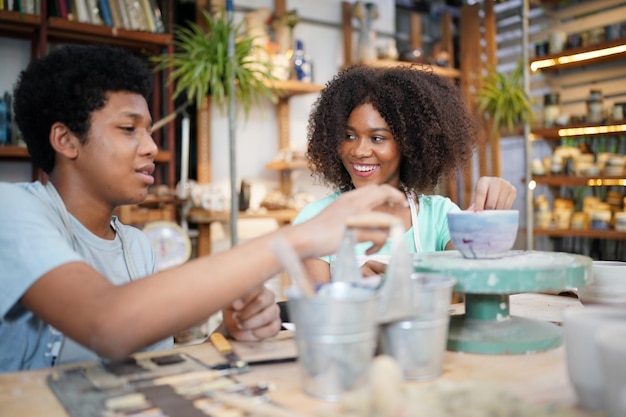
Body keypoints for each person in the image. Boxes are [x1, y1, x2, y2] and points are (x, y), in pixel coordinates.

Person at [0, 45, 408, 372]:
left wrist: (228, 333)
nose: (150, 147)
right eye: (129, 129)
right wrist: (302, 237)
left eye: (148, 130)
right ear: (65, 140)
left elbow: (149, 365)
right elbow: (107, 325)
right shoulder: (12, 209)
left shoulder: (135, 246)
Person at [294, 64, 517, 283]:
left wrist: (487, 216)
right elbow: (314, 312)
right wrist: (348, 287)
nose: (359, 151)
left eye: (377, 138)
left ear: (410, 145)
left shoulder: (440, 216)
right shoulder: (316, 219)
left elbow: (483, 278)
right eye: (349, 136)